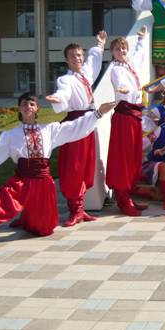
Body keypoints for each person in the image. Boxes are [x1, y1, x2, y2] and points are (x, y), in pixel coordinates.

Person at [0, 94, 115, 255]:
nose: (28, 106)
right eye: (24, 104)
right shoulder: (10, 135)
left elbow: (74, 127)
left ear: (37, 108)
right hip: (21, 182)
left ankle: (28, 218)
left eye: (32, 104)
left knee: (45, 229)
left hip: (43, 184)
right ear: (19, 109)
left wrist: (98, 113)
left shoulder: (49, 129)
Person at [45, 31, 106, 227]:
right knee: (74, 166)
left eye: (79, 55)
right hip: (75, 124)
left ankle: (80, 209)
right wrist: (58, 99)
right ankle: (74, 210)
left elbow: (94, 63)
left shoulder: (85, 74)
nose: (77, 58)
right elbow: (63, 93)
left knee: (87, 166)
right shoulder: (66, 80)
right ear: (66, 60)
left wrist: (99, 45)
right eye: (72, 56)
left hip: (89, 121)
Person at [106, 27, 149, 217]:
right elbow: (121, 85)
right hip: (124, 116)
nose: (121, 51)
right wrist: (127, 91)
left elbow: (139, 56)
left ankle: (128, 195)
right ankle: (123, 200)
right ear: (112, 52)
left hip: (134, 115)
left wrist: (141, 39)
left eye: (123, 48)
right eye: (117, 49)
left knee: (132, 157)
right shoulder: (116, 69)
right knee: (123, 158)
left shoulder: (129, 64)